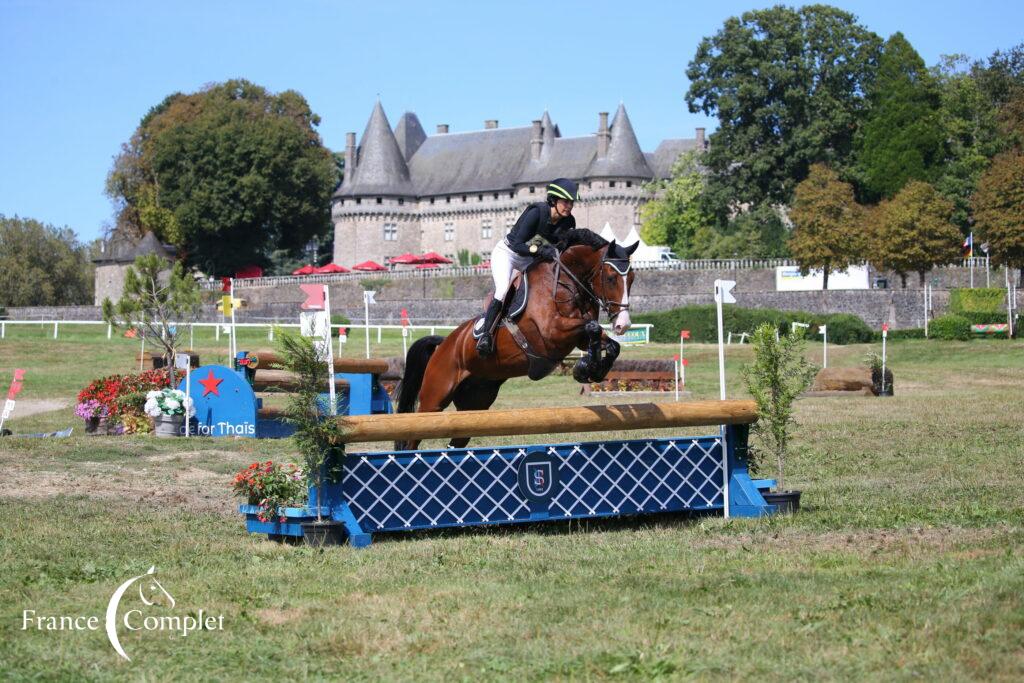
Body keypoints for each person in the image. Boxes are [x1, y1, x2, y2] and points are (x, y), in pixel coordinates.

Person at [476, 178, 593, 356]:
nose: (569, 206)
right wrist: (540, 250)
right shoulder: (537, 213)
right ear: (553, 200)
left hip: (531, 260)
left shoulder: (568, 222)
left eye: (571, 203)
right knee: (502, 291)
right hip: (508, 255)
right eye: (565, 202)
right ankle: (486, 336)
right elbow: (517, 245)